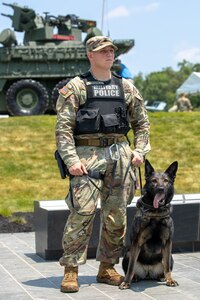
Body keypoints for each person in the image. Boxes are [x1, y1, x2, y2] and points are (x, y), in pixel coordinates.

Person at [55, 35, 151, 293]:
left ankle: (107, 267)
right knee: (82, 213)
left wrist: (139, 150)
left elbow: (142, 124)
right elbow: (63, 129)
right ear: (90, 55)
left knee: (116, 214)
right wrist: (71, 160)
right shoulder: (76, 87)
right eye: (102, 51)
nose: (109, 55)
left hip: (120, 154)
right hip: (87, 156)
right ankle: (71, 270)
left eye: (111, 51)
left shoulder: (126, 87)